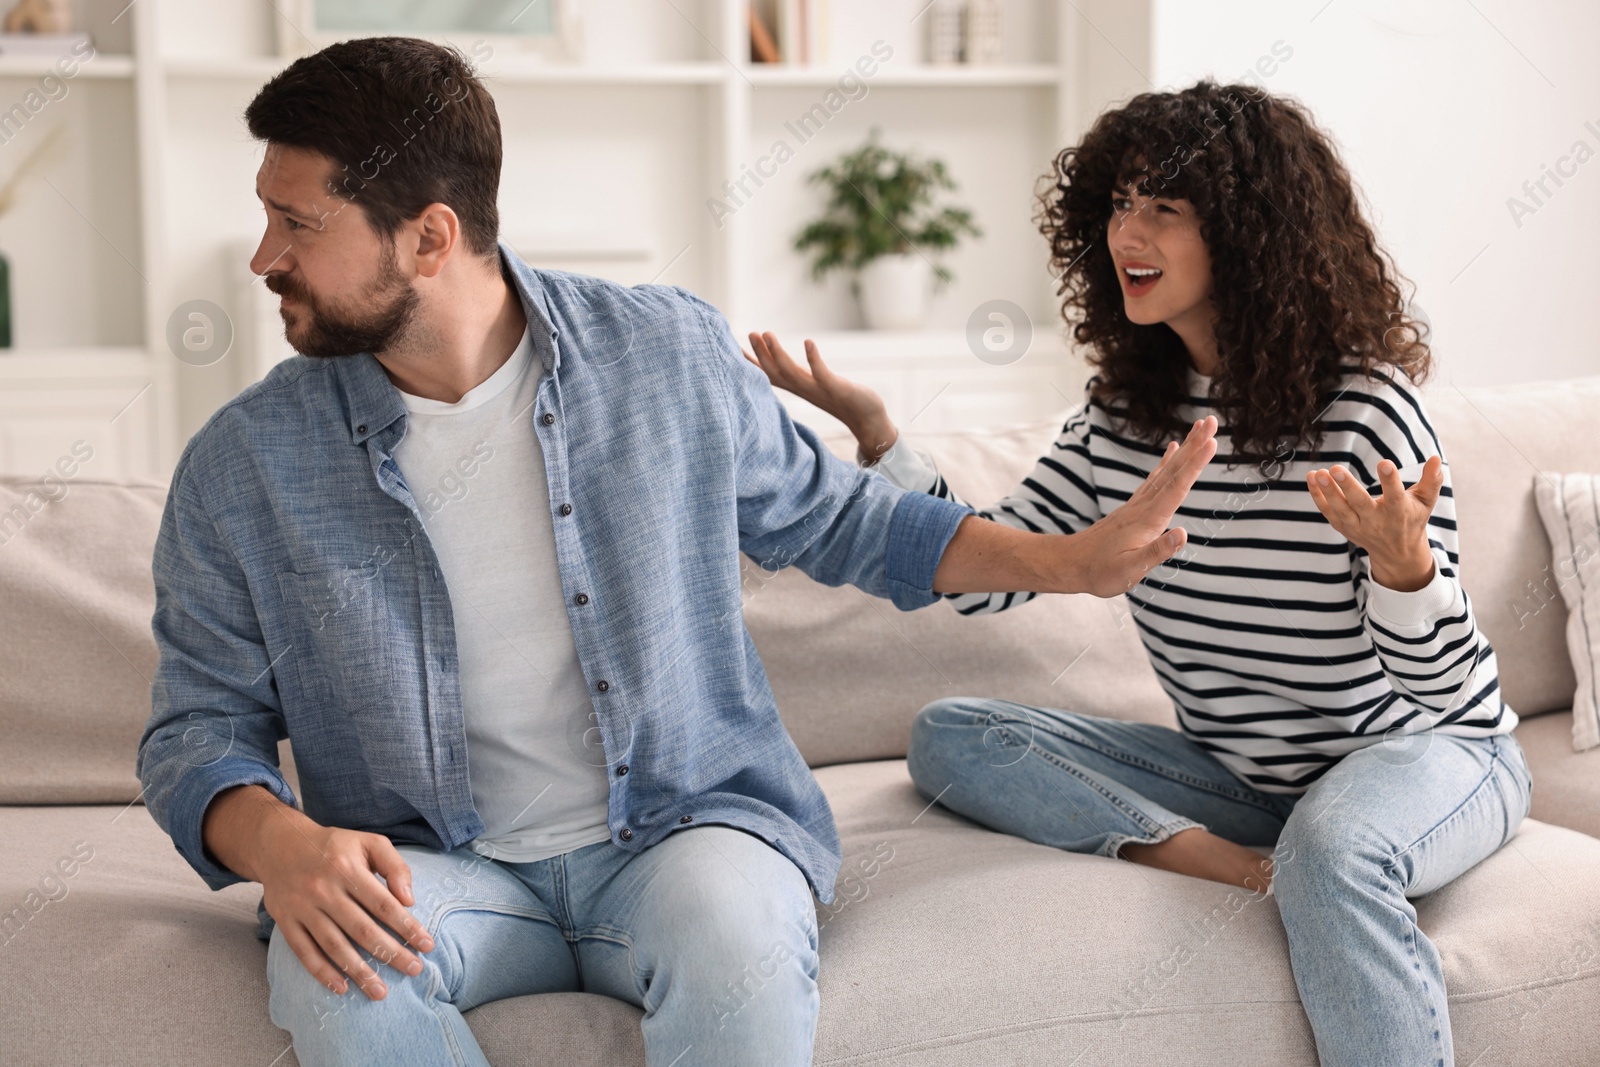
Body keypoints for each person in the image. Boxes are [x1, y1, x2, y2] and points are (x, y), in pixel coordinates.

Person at [134, 38, 1221, 1067]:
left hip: (682, 834)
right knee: (330, 972)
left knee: (735, 941)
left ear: (429, 237)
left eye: (296, 222)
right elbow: (195, 729)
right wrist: (280, 844)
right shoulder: (243, 465)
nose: (263, 256)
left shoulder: (662, 354)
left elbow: (842, 518)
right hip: (442, 870)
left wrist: (1064, 561)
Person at [746, 80, 1533, 1067]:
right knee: (955, 732)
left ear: (1249, 235)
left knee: (1337, 848)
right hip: (1249, 782)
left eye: (1164, 207)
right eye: (1119, 202)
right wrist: (878, 436)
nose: (1129, 229)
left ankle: (1312, 870)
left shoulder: (1363, 412)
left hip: (1428, 756)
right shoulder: (1124, 423)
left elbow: (1449, 694)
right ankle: (1238, 867)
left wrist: (1406, 568)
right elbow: (995, 565)